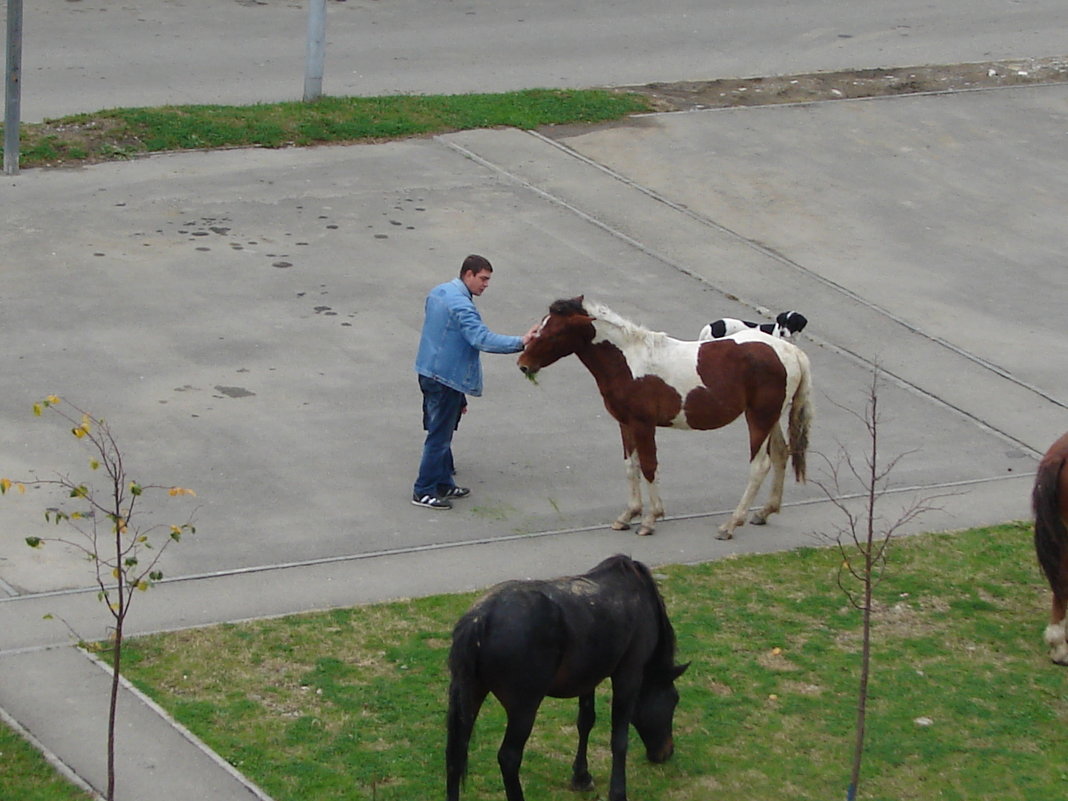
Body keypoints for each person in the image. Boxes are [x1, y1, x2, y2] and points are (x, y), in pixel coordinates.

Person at [412, 254, 536, 510]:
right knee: (440, 436)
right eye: (483, 278)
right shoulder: (462, 306)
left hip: (429, 370)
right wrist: (522, 342)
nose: (486, 285)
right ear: (468, 274)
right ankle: (423, 489)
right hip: (447, 378)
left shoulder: (438, 292)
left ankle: (443, 481)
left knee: (440, 428)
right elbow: (481, 339)